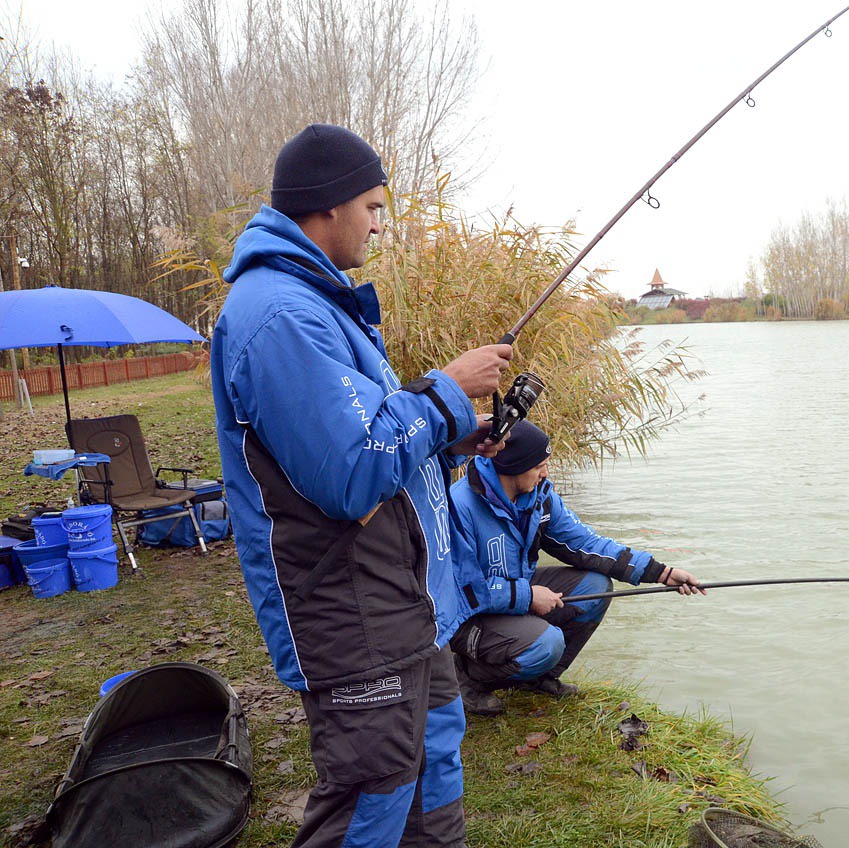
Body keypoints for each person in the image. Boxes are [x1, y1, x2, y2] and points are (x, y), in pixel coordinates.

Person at [210, 123, 510, 848]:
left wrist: (449, 436)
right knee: (372, 797)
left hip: (406, 604)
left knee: (432, 769)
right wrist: (444, 395)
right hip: (350, 613)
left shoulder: (318, 300)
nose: (379, 222)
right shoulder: (280, 316)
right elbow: (348, 474)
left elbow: (371, 437)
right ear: (328, 206)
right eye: (372, 206)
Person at [448, 420, 704, 715]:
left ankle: (538, 677)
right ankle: (465, 678)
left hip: (514, 595)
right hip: (466, 617)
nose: (546, 472)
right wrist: (529, 597)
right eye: (539, 465)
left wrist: (662, 574)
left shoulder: (539, 498)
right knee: (547, 642)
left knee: (596, 587)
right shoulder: (460, 505)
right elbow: (461, 590)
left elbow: (588, 544)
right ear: (514, 465)